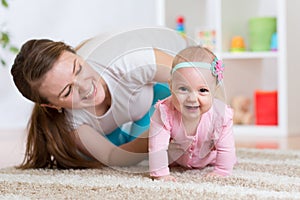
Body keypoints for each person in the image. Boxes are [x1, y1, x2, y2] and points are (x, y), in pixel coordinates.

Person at [10, 27, 187, 169]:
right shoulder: (70, 123)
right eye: (67, 91)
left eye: (78, 69)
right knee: (92, 157)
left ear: (77, 54)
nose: (85, 87)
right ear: (51, 105)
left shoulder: (129, 60)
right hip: (112, 134)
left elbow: (196, 78)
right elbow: (112, 156)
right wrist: (151, 140)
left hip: (151, 99)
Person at [148, 46, 236, 181]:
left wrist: (222, 171)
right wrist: (161, 173)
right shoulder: (164, 112)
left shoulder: (220, 116)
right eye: (183, 89)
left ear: (214, 90)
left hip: (208, 159)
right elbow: (157, 146)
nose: (192, 98)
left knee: (226, 156)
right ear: (171, 86)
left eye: (203, 90)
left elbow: (226, 148)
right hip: (176, 159)